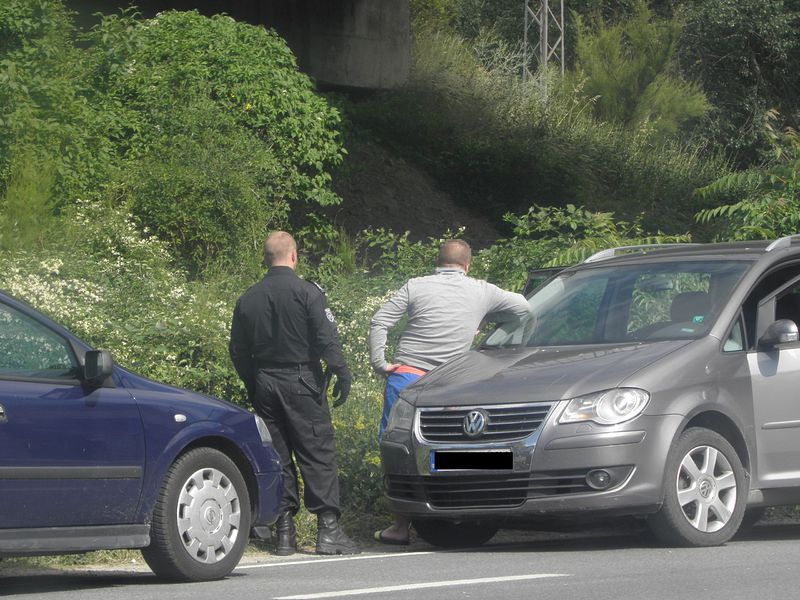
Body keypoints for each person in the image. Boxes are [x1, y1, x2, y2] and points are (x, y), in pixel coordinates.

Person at [369, 239, 531, 544]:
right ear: (467, 265)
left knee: (398, 448)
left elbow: (380, 321)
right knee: (457, 447)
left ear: (437, 262)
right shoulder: (481, 290)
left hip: (408, 378)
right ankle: (462, 510)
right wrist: (492, 324)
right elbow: (523, 308)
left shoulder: (415, 286)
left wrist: (380, 362)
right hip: (451, 383)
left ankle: (400, 526)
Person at [229, 231, 360, 556]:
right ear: (294, 256)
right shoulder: (308, 293)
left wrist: (254, 382)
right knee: (317, 453)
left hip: (266, 382)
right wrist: (342, 372)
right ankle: (328, 531)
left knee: (278, 456)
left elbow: (237, 351)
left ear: (266, 258)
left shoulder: (248, 297)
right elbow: (326, 338)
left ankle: (284, 532)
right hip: (302, 381)